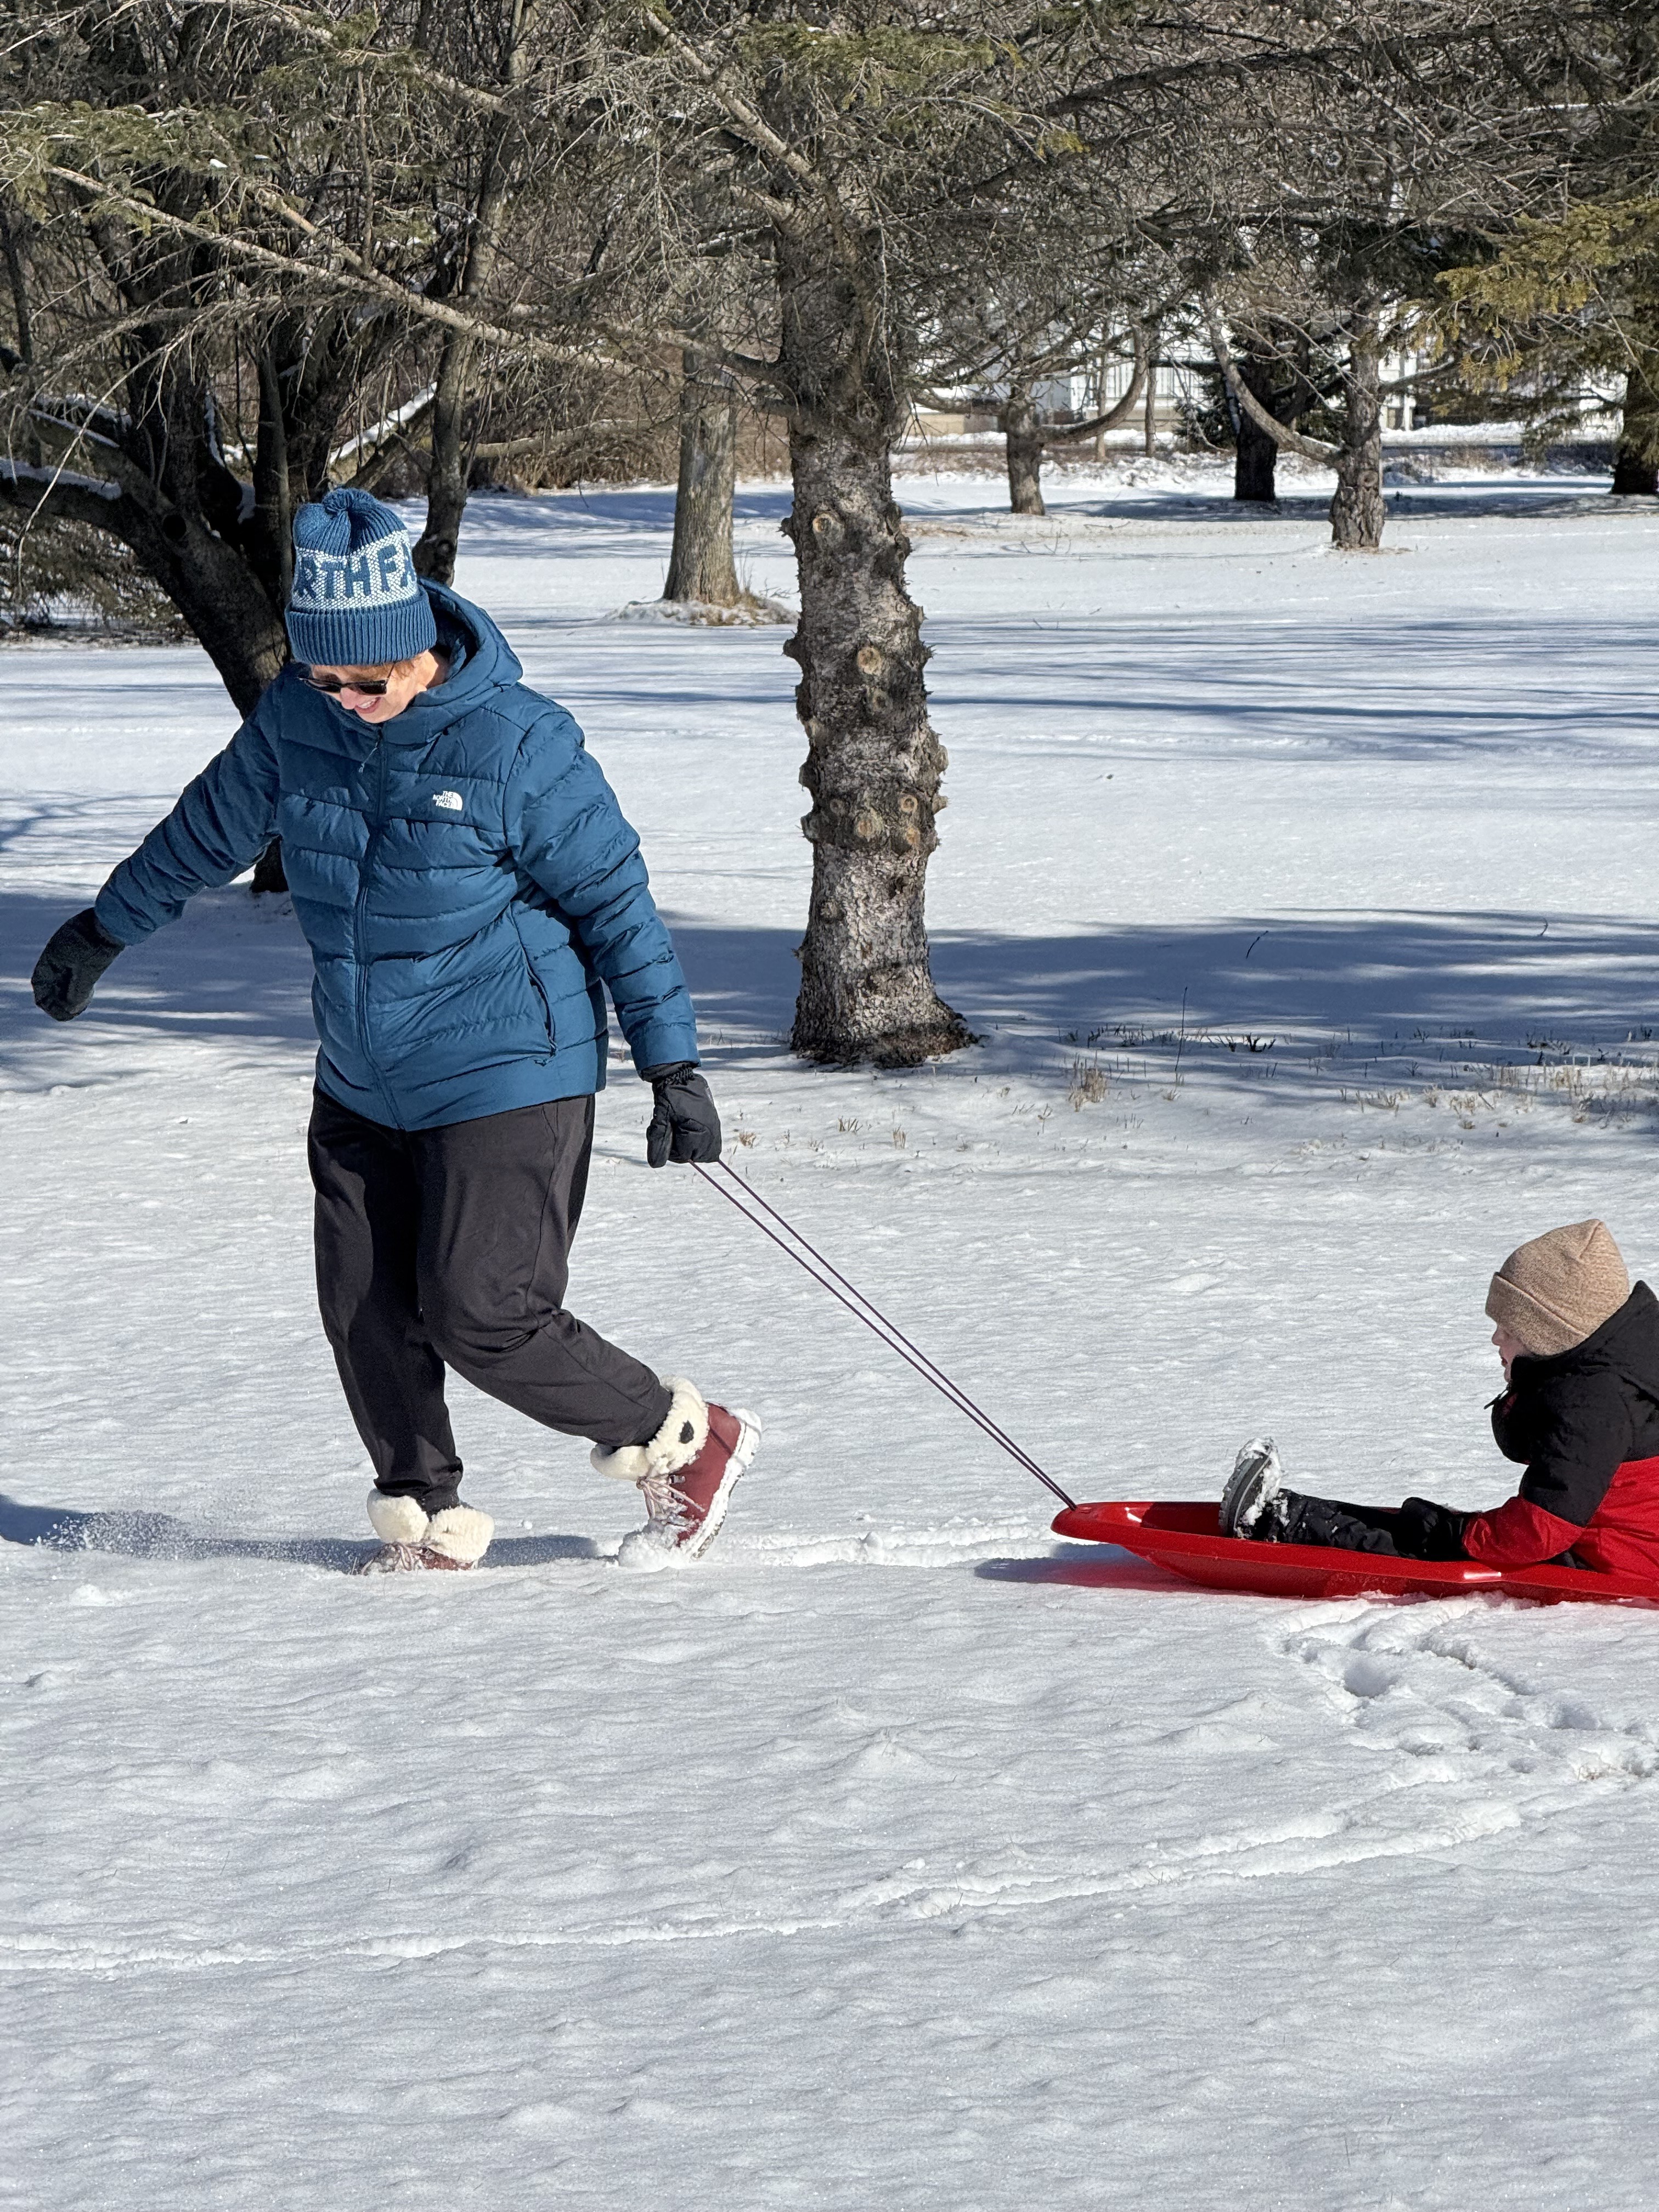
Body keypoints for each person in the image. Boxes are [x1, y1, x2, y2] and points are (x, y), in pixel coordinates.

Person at [31, 487, 758, 1575]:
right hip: (364, 1069)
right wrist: (105, 928)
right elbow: (205, 831)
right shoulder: (298, 719)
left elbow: (618, 906)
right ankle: (425, 1513)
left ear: (415, 645)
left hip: (511, 1068)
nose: (346, 701)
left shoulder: (520, 746)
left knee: (483, 1310)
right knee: (366, 1306)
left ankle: (681, 1439)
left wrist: (675, 1067)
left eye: (365, 681)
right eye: (325, 679)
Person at [1220, 1219, 1659, 1579]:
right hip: (1610, 1547)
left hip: (1608, 1564)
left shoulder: (1594, 1402)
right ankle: (1288, 1516)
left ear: (1549, 1336)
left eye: (1509, 1330)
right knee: (1433, 1528)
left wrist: (1461, 1535)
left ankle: (1276, 1524)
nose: (1495, 1339)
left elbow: (1542, 1529)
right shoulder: (1616, 1372)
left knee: (1429, 1544)